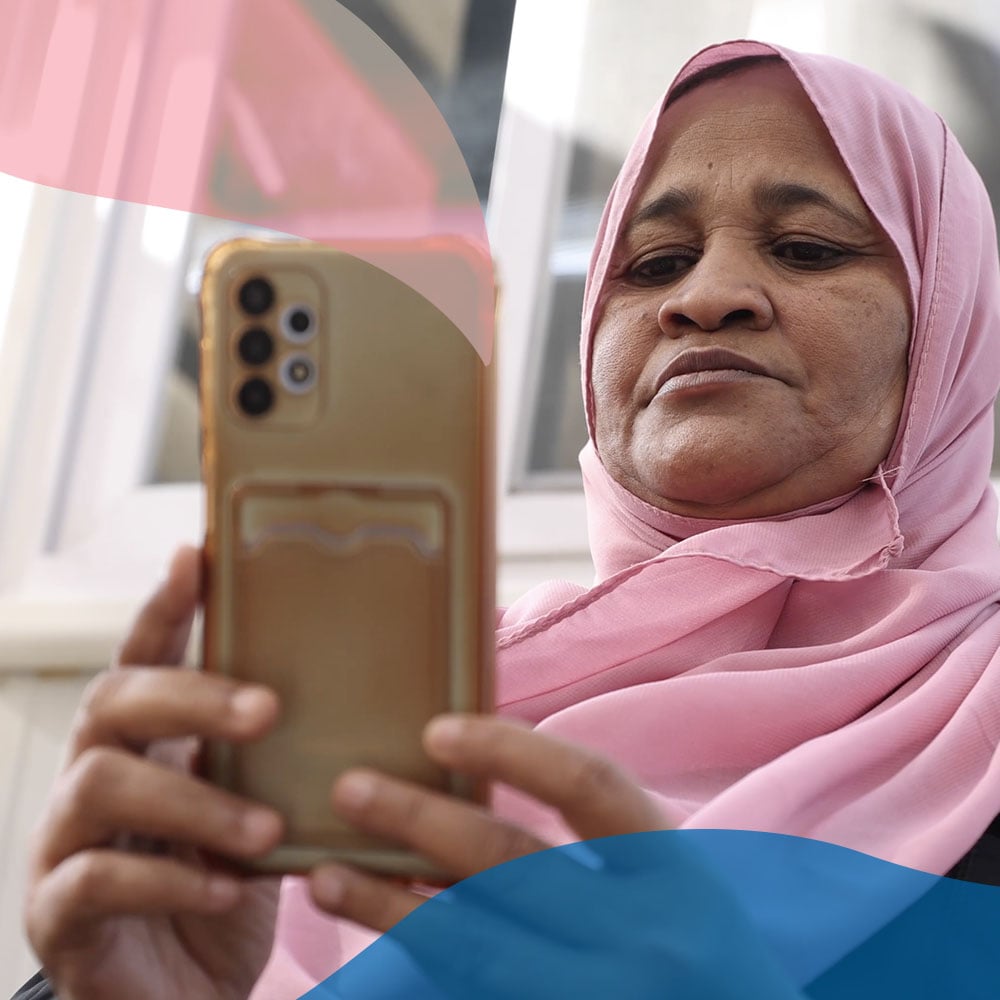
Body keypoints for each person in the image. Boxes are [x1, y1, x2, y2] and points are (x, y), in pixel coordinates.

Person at [16, 36, 1000, 999]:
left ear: (953, 327)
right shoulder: (407, 722)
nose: (705, 298)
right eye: (652, 262)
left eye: (805, 248)